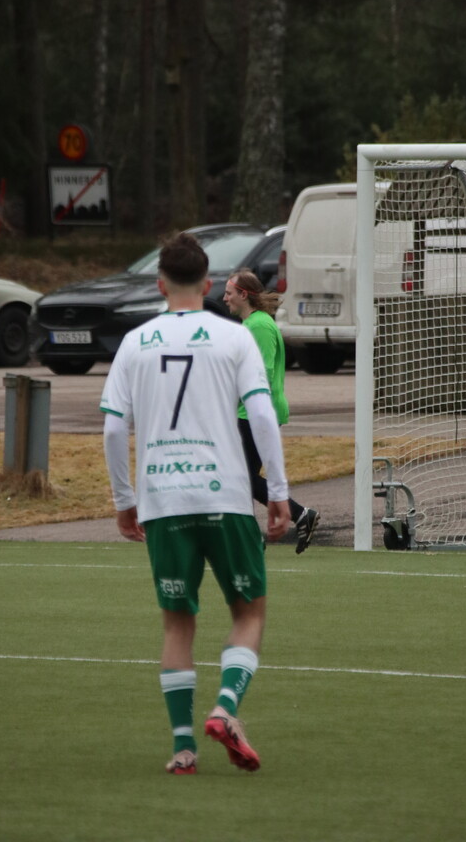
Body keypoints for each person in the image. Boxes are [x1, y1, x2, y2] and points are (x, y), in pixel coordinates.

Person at [100, 232, 291, 776]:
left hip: (163, 499)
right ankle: (225, 708)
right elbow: (261, 415)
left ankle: (184, 749)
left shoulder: (135, 342)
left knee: (177, 624)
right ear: (207, 285)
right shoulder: (235, 338)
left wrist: (124, 499)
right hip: (225, 494)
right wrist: (278, 491)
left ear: (160, 285)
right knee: (248, 612)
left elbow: (113, 428)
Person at [223, 268, 321, 553]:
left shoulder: (259, 326)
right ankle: (257, 536)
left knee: (241, 477)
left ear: (243, 295)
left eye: (229, 293)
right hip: (249, 411)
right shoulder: (252, 324)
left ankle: (297, 516)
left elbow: (261, 373)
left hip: (255, 413)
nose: (225, 298)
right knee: (242, 477)